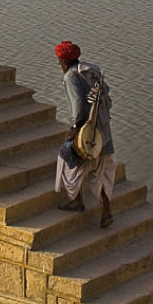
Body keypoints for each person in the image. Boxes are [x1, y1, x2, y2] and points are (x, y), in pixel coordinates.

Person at [53, 40, 114, 227]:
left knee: (66, 160)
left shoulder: (70, 76)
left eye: (60, 63)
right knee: (102, 171)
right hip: (103, 131)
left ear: (64, 63)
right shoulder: (91, 71)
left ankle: (76, 200)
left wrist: (74, 128)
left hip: (86, 132)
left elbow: (78, 104)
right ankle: (106, 211)